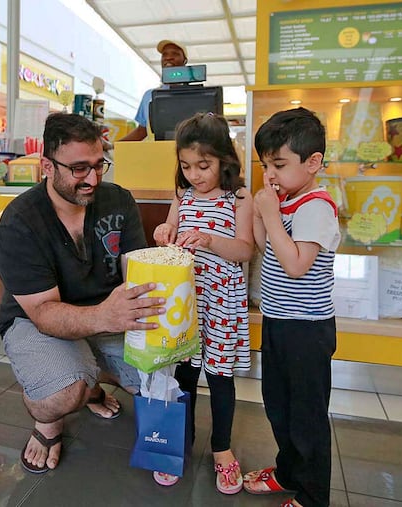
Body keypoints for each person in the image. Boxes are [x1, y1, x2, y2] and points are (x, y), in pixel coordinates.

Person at [0, 112, 166, 474]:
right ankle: (49, 424)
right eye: (79, 169)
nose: (93, 178)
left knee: (161, 378)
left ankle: (90, 379)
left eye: (99, 165)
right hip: (37, 321)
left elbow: (135, 273)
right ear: (46, 165)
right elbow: (43, 312)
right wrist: (104, 317)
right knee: (60, 393)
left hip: (108, 315)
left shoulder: (119, 201)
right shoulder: (20, 221)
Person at [152, 112, 254, 493]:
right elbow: (170, 231)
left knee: (220, 377)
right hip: (186, 299)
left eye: (204, 165)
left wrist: (211, 240)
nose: (194, 174)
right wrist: (165, 231)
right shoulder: (183, 195)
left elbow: (245, 249)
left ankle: (222, 451)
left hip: (222, 302)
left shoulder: (239, 197)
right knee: (184, 377)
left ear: (225, 159)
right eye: (186, 166)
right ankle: (179, 445)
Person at [243, 108, 340, 507]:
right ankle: (287, 472)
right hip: (279, 323)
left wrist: (269, 211)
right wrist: (263, 212)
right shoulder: (287, 202)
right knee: (279, 406)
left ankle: (314, 495)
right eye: (267, 165)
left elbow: (297, 266)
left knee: (307, 417)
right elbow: (268, 249)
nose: (271, 174)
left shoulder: (316, 205)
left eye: (279, 165)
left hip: (307, 329)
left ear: (312, 162)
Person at [118, 40, 188, 142]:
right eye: (164, 54)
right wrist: (113, 146)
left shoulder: (198, 94)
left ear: (185, 61)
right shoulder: (149, 95)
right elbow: (141, 132)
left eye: (175, 54)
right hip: (157, 154)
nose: (168, 57)